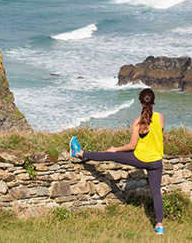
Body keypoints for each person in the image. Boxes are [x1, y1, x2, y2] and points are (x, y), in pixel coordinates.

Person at [70, 88, 165, 235]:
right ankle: (159, 226)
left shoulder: (137, 122)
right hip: (156, 162)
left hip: (139, 159)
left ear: (140, 102)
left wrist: (116, 149)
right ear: (154, 101)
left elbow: (132, 146)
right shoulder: (160, 118)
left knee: (111, 155)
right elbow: (158, 134)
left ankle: (79, 152)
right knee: (156, 193)